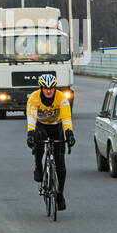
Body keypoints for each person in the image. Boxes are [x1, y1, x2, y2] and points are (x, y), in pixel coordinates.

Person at [25, 72, 75, 210]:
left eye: (51, 88)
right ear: (41, 88)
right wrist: (30, 133)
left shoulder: (61, 98)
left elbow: (66, 117)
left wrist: (69, 133)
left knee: (60, 163)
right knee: (39, 141)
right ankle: (38, 165)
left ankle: (60, 195)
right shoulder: (34, 98)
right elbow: (31, 116)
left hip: (56, 125)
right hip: (41, 125)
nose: (48, 91)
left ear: (54, 88)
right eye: (46, 88)